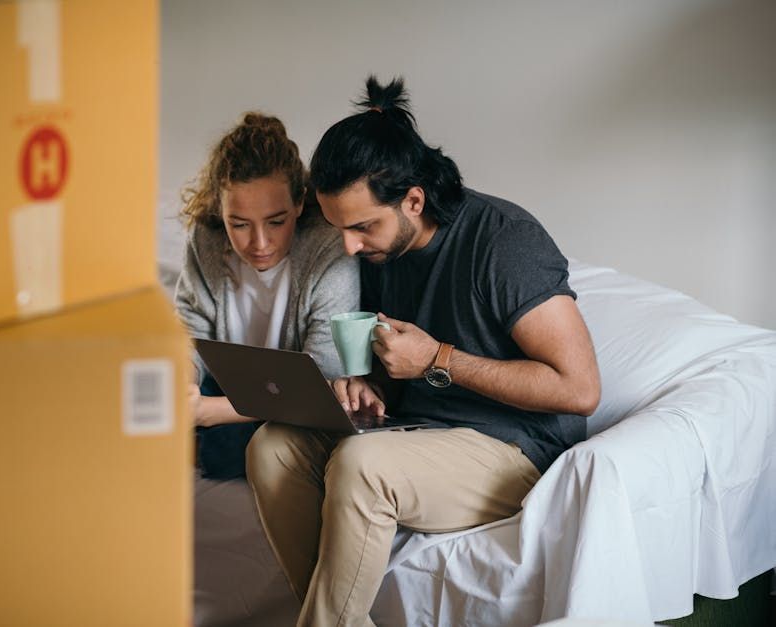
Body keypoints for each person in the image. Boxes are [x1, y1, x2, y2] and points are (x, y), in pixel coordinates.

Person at [245, 77, 601, 626]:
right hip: (416, 432)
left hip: (516, 448)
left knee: (362, 466)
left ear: (413, 199)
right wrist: (370, 386)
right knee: (272, 447)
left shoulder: (505, 241)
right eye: (341, 229)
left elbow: (579, 389)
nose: (350, 247)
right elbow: (401, 366)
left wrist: (438, 359)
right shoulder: (382, 252)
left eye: (363, 227)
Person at [175, 112, 359, 480]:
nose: (259, 243)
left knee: (285, 442)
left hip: (297, 404)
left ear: (300, 204)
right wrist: (183, 388)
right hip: (224, 385)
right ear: (220, 211)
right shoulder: (206, 241)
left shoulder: (329, 249)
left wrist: (210, 413)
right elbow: (188, 337)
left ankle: (201, 447)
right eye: (239, 225)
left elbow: (323, 384)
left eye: (276, 221)